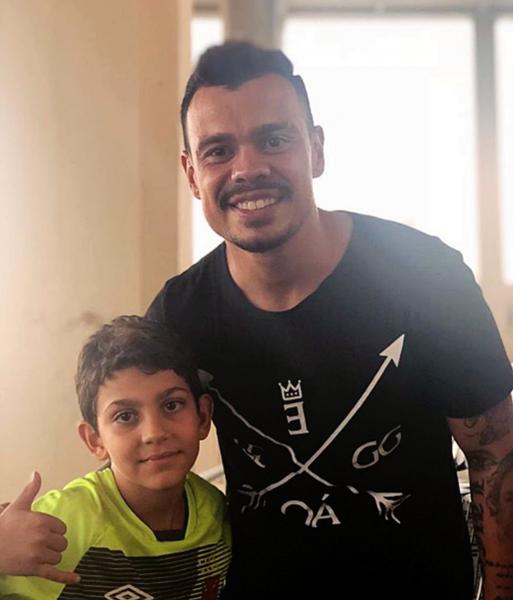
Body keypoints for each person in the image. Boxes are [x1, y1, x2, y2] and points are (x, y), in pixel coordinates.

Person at [1, 40, 513, 599]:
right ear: (192, 174)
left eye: (274, 139)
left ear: (316, 149)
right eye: (218, 150)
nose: (248, 169)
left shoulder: (425, 274)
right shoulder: (180, 313)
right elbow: (132, 456)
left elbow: (496, 454)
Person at [0, 315, 231, 599]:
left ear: (203, 417)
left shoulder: (217, 514)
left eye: (172, 405)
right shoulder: (65, 522)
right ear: (94, 440)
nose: (154, 433)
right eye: (125, 416)